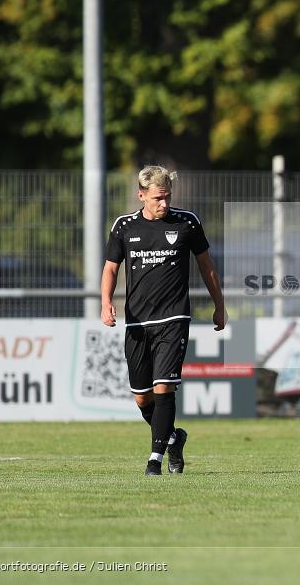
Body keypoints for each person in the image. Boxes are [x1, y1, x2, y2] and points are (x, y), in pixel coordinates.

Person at [100, 166, 226, 476]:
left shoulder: (187, 222)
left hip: (175, 317)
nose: (164, 204)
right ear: (141, 195)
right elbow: (110, 269)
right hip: (138, 323)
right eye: (158, 198)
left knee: (163, 388)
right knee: (143, 398)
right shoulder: (124, 226)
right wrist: (106, 303)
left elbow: (207, 266)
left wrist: (219, 305)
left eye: (168, 197)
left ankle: (155, 458)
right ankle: (172, 437)